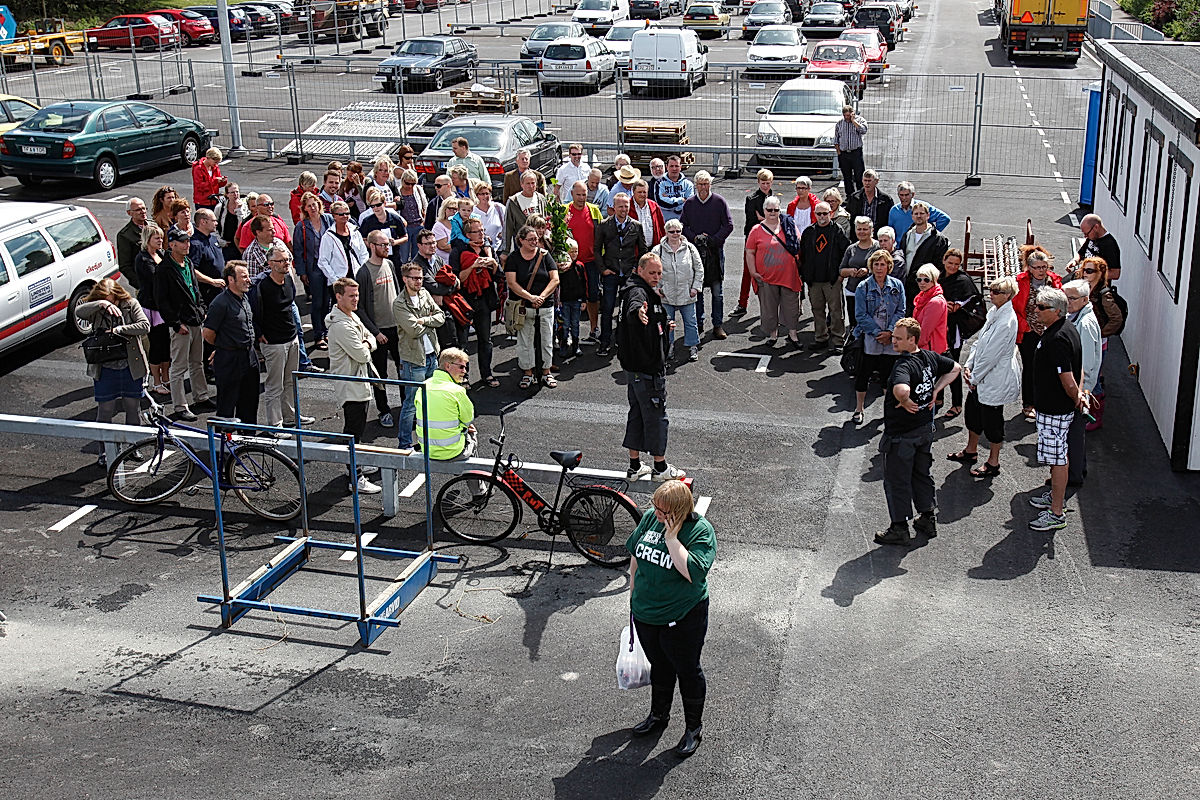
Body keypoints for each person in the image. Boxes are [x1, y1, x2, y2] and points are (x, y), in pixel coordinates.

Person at [626, 479, 715, 759]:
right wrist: (632, 591)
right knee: (660, 666)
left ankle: (693, 728)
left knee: (687, 670)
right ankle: (658, 715)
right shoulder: (652, 518)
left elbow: (692, 572)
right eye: (656, 508)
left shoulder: (700, 531)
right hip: (646, 613)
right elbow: (635, 552)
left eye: (664, 511)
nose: (657, 514)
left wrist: (672, 538)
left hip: (682, 616)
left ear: (679, 509)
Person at [874, 317, 960, 546]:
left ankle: (899, 527)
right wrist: (936, 390)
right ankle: (927, 518)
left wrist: (904, 398)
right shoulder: (930, 357)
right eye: (893, 336)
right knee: (922, 474)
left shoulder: (903, 365)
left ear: (912, 340)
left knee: (897, 480)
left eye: (899, 338)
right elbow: (956, 368)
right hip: (924, 429)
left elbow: (901, 387)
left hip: (901, 433)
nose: (894, 341)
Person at [618, 253, 686, 482]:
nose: (656, 277)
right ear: (640, 271)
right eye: (652, 273)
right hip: (646, 368)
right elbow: (634, 309)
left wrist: (664, 324)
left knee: (637, 413)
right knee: (657, 416)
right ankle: (660, 466)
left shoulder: (637, 288)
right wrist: (638, 313)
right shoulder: (638, 292)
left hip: (635, 369)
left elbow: (648, 314)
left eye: (659, 273)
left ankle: (635, 466)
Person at [949, 276, 1021, 478]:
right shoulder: (994, 312)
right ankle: (971, 451)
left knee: (993, 422)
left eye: (997, 292)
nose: (992, 294)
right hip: (980, 376)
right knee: (973, 415)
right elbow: (980, 343)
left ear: (1008, 296)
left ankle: (993, 462)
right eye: (992, 290)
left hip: (994, 379)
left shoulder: (1007, 322)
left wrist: (973, 378)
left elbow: (991, 356)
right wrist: (969, 365)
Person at [1027, 287, 1084, 532]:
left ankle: (1056, 513)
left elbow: (1068, 379)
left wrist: (1077, 397)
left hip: (1055, 411)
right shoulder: (1065, 330)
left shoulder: (1058, 338)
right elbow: (1079, 370)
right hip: (1054, 408)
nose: (1036, 310)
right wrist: (1078, 395)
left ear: (1057, 311)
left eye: (1041, 307)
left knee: (1058, 458)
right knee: (1057, 456)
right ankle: (1054, 497)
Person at [76, 279, 150, 466]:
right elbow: (79, 312)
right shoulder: (97, 309)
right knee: (105, 410)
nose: (112, 303)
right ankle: (104, 452)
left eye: (113, 299)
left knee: (132, 407)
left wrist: (120, 329)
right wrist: (101, 304)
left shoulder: (131, 304)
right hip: (104, 368)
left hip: (130, 366)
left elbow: (144, 325)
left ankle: (133, 447)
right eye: (107, 300)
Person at [327, 277, 382, 494]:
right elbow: (361, 354)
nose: (355, 299)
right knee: (353, 430)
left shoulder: (352, 316)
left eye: (356, 295)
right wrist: (367, 344)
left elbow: (369, 339)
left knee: (358, 429)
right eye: (351, 295)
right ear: (338, 297)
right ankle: (355, 476)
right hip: (351, 385)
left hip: (359, 382)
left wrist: (367, 342)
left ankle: (356, 462)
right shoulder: (341, 325)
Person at [156, 228, 213, 421]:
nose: (187, 244)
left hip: (195, 319)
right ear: (171, 244)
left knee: (197, 362)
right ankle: (180, 405)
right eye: (182, 242)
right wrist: (175, 323)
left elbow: (195, 289)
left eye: (187, 241)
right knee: (179, 366)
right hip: (181, 324)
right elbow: (162, 300)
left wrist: (202, 308)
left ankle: (201, 396)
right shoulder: (164, 269)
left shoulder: (187, 262)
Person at [250, 245, 308, 429]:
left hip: (291, 339)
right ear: (270, 264)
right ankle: (275, 425)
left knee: (290, 381)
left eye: (287, 260)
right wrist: (259, 335)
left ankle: (291, 416)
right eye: (281, 261)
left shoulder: (289, 280)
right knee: (274, 386)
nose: (286, 264)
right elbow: (251, 313)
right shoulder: (261, 287)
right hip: (274, 343)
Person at [393, 262, 446, 451]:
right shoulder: (399, 303)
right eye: (415, 278)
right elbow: (413, 331)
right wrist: (429, 321)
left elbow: (441, 317)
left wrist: (424, 319)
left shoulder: (424, 294)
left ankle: (426, 439)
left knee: (428, 402)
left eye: (421, 278)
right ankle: (404, 443)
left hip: (432, 356)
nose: (419, 282)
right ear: (405, 279)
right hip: (414, 360)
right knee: (411, 404)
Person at [353, 230, 403, 428]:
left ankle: (407, 407)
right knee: (380, 375)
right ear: (371, 246)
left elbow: (398, 295)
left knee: (404, 372)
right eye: (382, 245)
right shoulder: (363, 273)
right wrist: (376, 332)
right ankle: (384, 410)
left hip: (396, 329)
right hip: (379, 332)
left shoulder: (390, 264)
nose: (386, 247)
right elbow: (360, 308)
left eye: (387, 244)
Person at [201, 262, 259, 424]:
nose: (248, 280)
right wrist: (222, 347)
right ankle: (224, 444)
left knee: (249, 401)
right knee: (227, 403)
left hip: (249, 356)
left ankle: (247, 439)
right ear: (230, 280)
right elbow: (208, 333)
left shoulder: (245, 298)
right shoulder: (220, 303)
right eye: (244, 277)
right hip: (229, 359)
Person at [852, 250, 905, 424]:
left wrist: (890, 332)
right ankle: (859, 408)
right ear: (871, 266)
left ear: (889, 266)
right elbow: (860, 315)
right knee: (864, 374)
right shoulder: (863, 287)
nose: (879, 268)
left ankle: (888, 411)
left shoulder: (897, 285)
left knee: (888, 377)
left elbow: (901, 311)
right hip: (870, 338)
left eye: (883, 264)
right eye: (876, 264)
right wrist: (877, 333)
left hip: (891, 339)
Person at [679, 171, 733, 340]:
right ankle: (699, 323)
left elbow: (728, 225)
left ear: (710, 184)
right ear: (695, 185)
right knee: (698, 291)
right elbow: (683, 225)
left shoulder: (719, 202)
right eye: (700, 184)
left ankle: (717, 325)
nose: (703, 187)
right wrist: (694, 238)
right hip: (696, 253)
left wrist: (714, 239)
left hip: (715, 252)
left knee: (717, 292)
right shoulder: (689, 204)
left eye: (706, 183)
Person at [745, 196, 803, 348]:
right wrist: (752, 271)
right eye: (769, 210)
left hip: (789, 275)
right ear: (764, 210)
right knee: (769, 309)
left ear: (779, 210)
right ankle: (773, 335)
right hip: (766, 277)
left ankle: (793, 334)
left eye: (775, 210)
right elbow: (750, 252)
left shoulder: (789, 225)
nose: (772, 212)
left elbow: (799, 243)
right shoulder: (756, 230)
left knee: (791, 307)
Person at [1012, 246, 1063, 422]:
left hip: (1049, 331)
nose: (1041, 271)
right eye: (1037, 267)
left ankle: (1045, 401)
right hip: (1029, 332)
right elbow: (1014, 308)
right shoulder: (1020, 282)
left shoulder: (1055, 282)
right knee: (1031, 366)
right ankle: (1029, 403)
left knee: (1049, 367)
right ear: (1029, 267)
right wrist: (1025, 326)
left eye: (1044, 267)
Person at [506, 225, 559, 389]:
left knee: (547, 340)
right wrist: (530, 298)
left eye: (536, 239)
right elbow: (511, 283)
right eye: (530, 239)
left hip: (545, 306)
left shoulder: (545, 255)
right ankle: (527, 373)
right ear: (520, 240)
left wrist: (542, 297)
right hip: (524, 307)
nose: (534, 242)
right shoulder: (513, 258)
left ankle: (546, 371)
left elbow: (555, 279)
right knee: (524, 341)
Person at [595, 193, 647, 355]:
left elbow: (643, 250)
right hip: (610, 272)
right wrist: (603, 269)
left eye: (626, 206)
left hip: (628, 274)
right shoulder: (604, 225)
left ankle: (624, 340)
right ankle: (604, 342)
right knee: (608, 308)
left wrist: (636, 269)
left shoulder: (636, 226)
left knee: (627, 310)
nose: (624, 209)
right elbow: (596, 250)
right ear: (614, 207)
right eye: (620, 206)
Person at [452, 217, 502, 385]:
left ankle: (486, 373)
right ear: (468, 234)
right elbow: (456, 279)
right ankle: (462, 377)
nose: (481, 234)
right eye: (477, 232)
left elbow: (499, 276)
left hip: (484, 300)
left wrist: (493, 263)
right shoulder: (459, 251)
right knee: (463, 343)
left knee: (485, 340)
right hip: (465, 301)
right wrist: (473, 266)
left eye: (482, 231)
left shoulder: (488, 250)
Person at [1074, 256, 1122, 430]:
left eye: (1089, 271)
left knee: (1094, 379)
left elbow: (1116, 319)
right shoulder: (1082, 288)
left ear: (1100, 273)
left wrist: (1099, 334)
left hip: (1098, 344)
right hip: (1080, 340)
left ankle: (1095, 416)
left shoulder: (1104, 294)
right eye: (1083, 269)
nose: (1084, 273)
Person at [1063, 279, 1102, 487]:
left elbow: (1085, 364)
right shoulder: (1077, 315)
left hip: (1078, 391)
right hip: (1077, 389)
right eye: (1065, 297)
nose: (1067, 302)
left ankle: (1073, 476)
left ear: (1085, 299)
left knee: (1074, 435)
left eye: (1071, 298)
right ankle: (1078, 469)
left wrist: (1079, 393)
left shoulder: (1085, 324)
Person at [800, 201, 852, 353]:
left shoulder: (837, 230)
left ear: (831, 214)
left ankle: (837, 340)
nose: (822, 216)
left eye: (825, 213)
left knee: (836, 311)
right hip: (814, 280)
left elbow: (846, 252)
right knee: (817, 310)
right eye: (819, 214)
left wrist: (841, 274)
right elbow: (803, 254)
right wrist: (805, 275)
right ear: (815, 214)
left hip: (831, 280)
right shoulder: (809, 232)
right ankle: (820, 338)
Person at [937, 248, 982, 418]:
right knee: (938, 364)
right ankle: (939, 397)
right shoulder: (938, 276)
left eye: (957, 264)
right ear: (944, 261)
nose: (953, 266)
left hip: (954, 330)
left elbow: (972, 301)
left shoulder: (964, 281)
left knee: (952, 366)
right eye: (950, 263)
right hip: (938, 328)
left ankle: (956, 403)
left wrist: (957, 305)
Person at [653, 219, 704, 363]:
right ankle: (668, 347)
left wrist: (695, 287)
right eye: (672, 232)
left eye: (678, 231)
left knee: (691, 321)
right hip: (666, 294)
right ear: (666, 232)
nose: (675, 234)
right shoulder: (658, 250)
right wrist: (657, 289)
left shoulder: (690, 248)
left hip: (686, 292)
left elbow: (699, 269)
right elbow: (650, 272)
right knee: (667, 323)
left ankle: (693, 346)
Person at [414, 348, 478, 461]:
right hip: (452, 451)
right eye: (461, 367)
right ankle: (474, 475)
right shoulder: (457, 391)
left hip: (427, 450)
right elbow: (468, 419)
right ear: (448, 366)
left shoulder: (423, 386)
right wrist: (464, 427)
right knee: (472, 432)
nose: (465, 371)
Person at [134, 224, 172, 397]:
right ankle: (156, 382)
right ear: (147, 240)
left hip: (163, 308)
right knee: (156, 346)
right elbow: (156, 278)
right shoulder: (142, 259)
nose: (160, 240)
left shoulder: (161, 254)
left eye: (160, 237)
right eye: (156, 238)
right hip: (151, 308)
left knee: (166, 345)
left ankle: (166, 376)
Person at [294, 192, 333, 350]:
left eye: (315, 203)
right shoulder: (302, 226)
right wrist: (302, 272)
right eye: (309, 205)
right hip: (314, 268)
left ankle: (327, 331)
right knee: (317, 302)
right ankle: (319, 336)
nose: (313, 207)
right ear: (305, 209)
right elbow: (297, 250)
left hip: (329, 266)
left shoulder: (328, 220)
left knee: (328, 301)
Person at [565, 181, 603, 340]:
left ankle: (594, 329)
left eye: (584, 195)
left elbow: (601, 235)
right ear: (572, 194)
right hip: (570, 264)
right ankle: (566, 333)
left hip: (591, 262)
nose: (581, 198)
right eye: (578, 194)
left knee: (593, 295)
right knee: (568, 299)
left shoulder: (594, 211)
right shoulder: (564, 211)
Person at [734, 168, 775, 317]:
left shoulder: (773, 196)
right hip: (752, 240)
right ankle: (742, 304)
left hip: (769, 240)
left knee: (769, 273)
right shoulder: (751, 199)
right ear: (758, 182)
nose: (765, 186)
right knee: (748, 272)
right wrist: (767, 219)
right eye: (763, 183)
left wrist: (762, 218)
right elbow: (752, 220)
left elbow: (775, 220)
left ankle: (769, 305)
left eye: (768, 183)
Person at [898, 201, 950, 315]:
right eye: (916, 213)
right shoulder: (907, 234)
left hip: (924, 286)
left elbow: (940, 266)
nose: (919, 216)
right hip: (906, 285)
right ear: (912, 216)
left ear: (928, 216)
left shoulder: (938, 239)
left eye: (922, 213)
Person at [839, 216, 877, 332]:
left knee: (870, 324)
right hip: (852, 291)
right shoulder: (851, 248)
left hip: (872, 293)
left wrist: (868, 270)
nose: (862, 232)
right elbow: (841, 270)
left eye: (865, 229)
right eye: (859, 229)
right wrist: (850, 272)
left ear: (871, 230)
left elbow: (885, 267)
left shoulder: (878, 247)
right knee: (854, 324)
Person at [317, 201, 368, 287]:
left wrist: (362, 272)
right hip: (340, 281)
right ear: (334, 216)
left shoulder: (355, 231)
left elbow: (363, 253)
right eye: (341, 214)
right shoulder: (328, 237)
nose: (345, 216)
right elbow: (323, 262)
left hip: (357, 277)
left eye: (347, 213)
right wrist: (335, 280)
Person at [912, 264, 948, 371]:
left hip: (931, 350)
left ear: (934, 280)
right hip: (925, 348)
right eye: (919, 279)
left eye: (926, 280)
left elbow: (925, 333)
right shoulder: (923, 296)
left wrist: (911, 347)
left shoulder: (935, 302)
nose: (922, 282)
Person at [358, 187, 408, 263]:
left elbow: (405, 236)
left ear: (384, 203)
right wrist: (373, 246)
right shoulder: (367, 221)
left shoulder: (395, 218)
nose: (376, 208)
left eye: (378, 205)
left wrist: (395, 242)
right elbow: (362, 238)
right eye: (372, 206)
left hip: (394, 257)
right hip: (375, 258)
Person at [503, 170, 547, 255]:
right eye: (528, 183)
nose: (531, 186)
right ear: (521, 184)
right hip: (522, 243)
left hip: (539, 242)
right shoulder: (513, 201)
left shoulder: (541, 199)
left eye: (533, 183)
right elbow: (508, 227)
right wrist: (506, 250)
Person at [1068, 214, 1121, 280]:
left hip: (1095, 287)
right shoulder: (1092, 237)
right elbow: (1081, 253)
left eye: (1087, 233)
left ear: (1096, 227)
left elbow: (1115, 274)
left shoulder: (1110, 245)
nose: (1085, 236)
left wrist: (1092, 275)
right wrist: (1075, 261)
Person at [557, 238, 586, 358]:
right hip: (565, 300)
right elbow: (558, 285)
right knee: (565, 324)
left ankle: (576, 345)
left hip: (577, 300)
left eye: (576, 251)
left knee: (575, 323)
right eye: (571, 251)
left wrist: (584, 300)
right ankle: (564, 344)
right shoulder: (562, 268)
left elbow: (584, 283)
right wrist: (558, 300)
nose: (574, 254)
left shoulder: (579, 266)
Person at [394, 168, 428, 262]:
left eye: (412, 184)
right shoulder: (397, 192)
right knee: (403, 256)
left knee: (417, 255)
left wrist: (424, 220)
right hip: (404, 227)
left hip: (418, 226)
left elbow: (425, 205)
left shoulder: (418, 189)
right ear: (402, 181)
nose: (410, 186)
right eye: (407, 183)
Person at [834, 104, 867, 195]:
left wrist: (853, 121)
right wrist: (839, 152)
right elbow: (836, 138)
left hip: (856, 152)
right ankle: (850, 196)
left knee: (859, 175)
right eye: (845, 116)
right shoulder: (840, 123)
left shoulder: (860, 120)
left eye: (848, 115)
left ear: (853, 114)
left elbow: (863, 130)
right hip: (844, 153)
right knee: (847, 177)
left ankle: (861, 195)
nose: (846, 118)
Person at [117, 198, 148, 290]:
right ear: (129, 213)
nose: (142, 212)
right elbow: (125, 266)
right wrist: (140, 285)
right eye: (138, 210)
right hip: (144, 284)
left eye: (144, 208)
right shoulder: (125, 235)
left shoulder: (153, 226)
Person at [655, 155, 694, 223]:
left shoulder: (688, 184)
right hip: (665, 221)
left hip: (683, 220)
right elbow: (660, 202)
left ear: (680, 167)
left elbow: (690, 202)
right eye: (671, 166)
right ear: (667, 167)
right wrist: (681, 200)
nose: (674, 169)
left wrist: (677, 208)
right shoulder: (659, 183)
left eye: (677, 166)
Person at [215, 183, 248, 263]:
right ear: (227, 194)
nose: (235, 195)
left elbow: (244, 226)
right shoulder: (220, 208)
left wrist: (239, 211)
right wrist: (220, 241)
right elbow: (213, 226)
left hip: (240, 244)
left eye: (237, 192)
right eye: (232, 192)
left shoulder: (244, 207)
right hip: (227, 244)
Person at [630, 180, 665, 250]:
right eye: (639, 192)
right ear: (633, 192)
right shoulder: (627, 206)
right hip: (634, 250)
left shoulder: (654, 206)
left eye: (644, 192)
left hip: (653, 249)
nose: (642, 194)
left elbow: (661, 226)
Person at [242, 215, 278, 279]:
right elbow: (253, 282)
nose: (274, 232)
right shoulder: (251, 254)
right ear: (258, 232)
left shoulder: (278, 243)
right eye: (269, 230)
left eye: (273, 228)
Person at [474, 182, 505, 253]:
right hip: (481, 249)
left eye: (487, 193)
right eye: (482, 194)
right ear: (477, 195)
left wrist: (503, 233)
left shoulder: (499, 207)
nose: (485, 196)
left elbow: (508, 223)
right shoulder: (473, 211)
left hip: (499, 248)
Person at [786, 176, 818, 240]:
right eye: (798, 188)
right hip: (795, 239)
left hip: (812, 239)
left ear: (809, 189)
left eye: (803, 188)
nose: (800, 190)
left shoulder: (816, 205)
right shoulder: (791, 206)